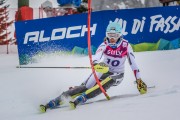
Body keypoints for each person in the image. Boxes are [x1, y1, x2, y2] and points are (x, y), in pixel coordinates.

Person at [40, 22, 147, 112]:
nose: (112, 38)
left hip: (117, 74)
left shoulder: (126, 46)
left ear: (119, 35)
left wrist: (138, 80)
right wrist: (97, 65)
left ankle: (83, 98)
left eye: (114, 35)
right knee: (84, 87)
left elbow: (133, 64)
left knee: (108, 80)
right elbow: (96, 58)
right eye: (110, 35)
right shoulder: (104, 44)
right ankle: (55, 101)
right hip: (103, 70)